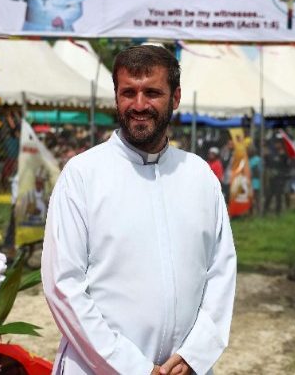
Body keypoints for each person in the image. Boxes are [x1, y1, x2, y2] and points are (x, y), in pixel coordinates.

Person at [42, 45, 237, 374]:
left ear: (175, 98)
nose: (139, 105)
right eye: (128, 92)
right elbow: (64, 285)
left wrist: (196, 353)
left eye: (152, 92)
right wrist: (131, 365)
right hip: (99, 367)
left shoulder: (199, 175)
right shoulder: (82, 175)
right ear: (116, 96)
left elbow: (221, 271)